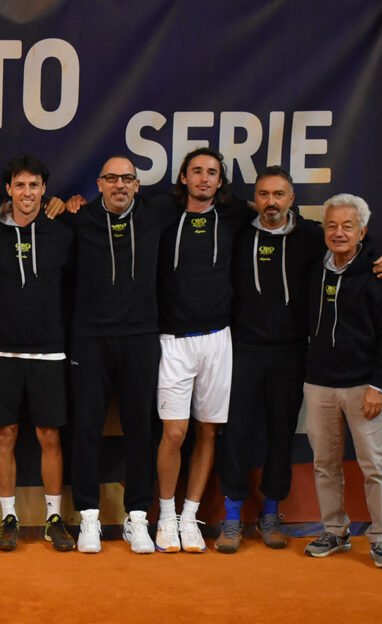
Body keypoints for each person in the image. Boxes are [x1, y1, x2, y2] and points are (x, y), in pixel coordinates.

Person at [217, 168, 382, 552]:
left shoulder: (312, 236)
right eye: (264, 194)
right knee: (236, 434)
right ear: (255, 198)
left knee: (281, 433)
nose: (271, 202)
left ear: (292, 198)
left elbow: (354, 242)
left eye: (279, 194)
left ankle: (271, 513)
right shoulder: (237, 230)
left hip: (291, 353)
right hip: (242, 350)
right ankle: (232, 516)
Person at [66, 156, 177, 554]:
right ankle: (89, 519)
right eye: (111, 178)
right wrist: (64, 205)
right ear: (98, 184)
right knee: (86, 429)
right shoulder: (77, 219)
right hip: (90, 338)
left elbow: (216, 200)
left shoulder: (157, 213)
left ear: (137, 185)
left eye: (127, 179)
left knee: (140, 429)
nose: (119, 185)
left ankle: (137, 519)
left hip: (141, 337)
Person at [152, 148, 250, 553]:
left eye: (212, 172)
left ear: (221, 180)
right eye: (197, 171)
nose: (204, 178)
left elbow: (289, 223)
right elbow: (110, 204)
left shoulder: (235, 217)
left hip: (217, 339)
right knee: (174, 432)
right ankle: (166, 516)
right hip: (173, 340)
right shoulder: (159, 212)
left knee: (208, 430)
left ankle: (190, 516)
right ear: (183, 177)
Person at [302, 194, 382, 569]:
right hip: (320, 384)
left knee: (375, 464)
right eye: (332, 225)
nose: (339, 233)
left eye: (348, 226)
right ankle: (335, 530)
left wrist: (379, 385)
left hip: (366, 387)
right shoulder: (316, 267)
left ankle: (381, 537)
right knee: (324, 463)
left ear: (363, 230)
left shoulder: (380, 272)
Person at [0, 155, 75, 552]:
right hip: (0, 348)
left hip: (48, 351)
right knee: (4, 433)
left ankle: (54, 516)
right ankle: (9, 518)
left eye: (34, 185)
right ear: (8, 190)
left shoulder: (61, 233)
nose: (27, 193)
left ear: (44, 189)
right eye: (19, 185)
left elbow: (73, 290)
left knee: (48, 435)